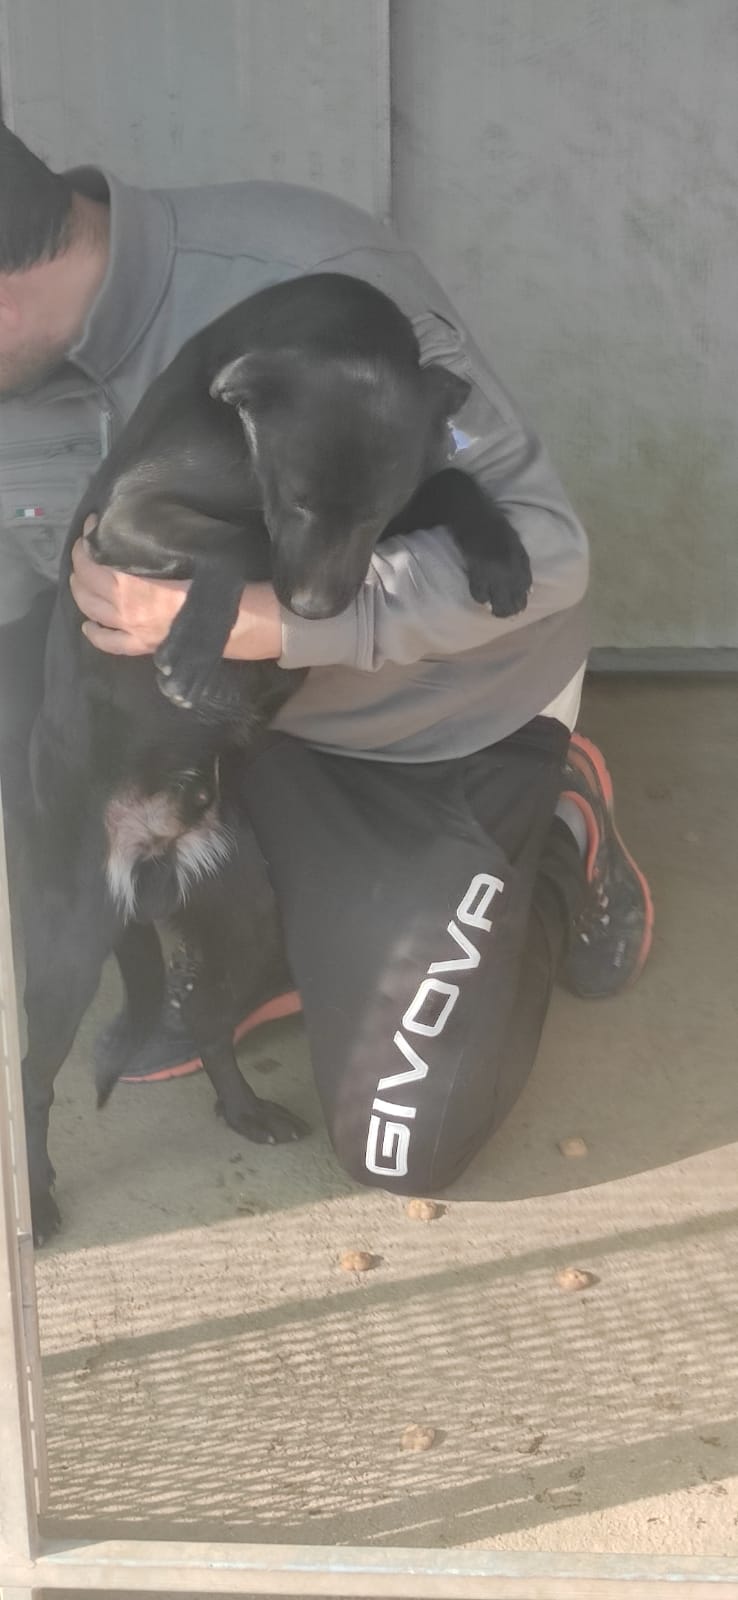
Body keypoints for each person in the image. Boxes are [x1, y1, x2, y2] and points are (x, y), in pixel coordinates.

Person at [0, 124, 652, 1193]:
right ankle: (285, 927)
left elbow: (550, 554)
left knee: (402, 1143)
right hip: (235, 744)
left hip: (431, 727)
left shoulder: (312, 281)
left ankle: (549, 839)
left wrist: (273, 623)